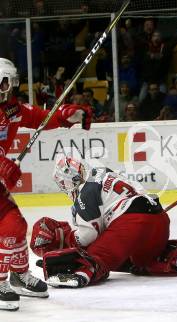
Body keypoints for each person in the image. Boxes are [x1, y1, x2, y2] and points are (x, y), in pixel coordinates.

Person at [29, 156, 177, 289]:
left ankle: (80, 273)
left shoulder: (85, 192)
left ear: (68, 182)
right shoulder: (105, 172)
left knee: (96, 256)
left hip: (131, 223)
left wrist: (69, 244)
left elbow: (88, 234)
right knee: (140, 261)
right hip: (159, 220)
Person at [0, 58, 92, 311]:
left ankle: (18, 276)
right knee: (5, 231)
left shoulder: (11, 109)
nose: (11, 87)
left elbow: (39, 117)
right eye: (7, 82)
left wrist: (66, 115)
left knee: (15, 225)